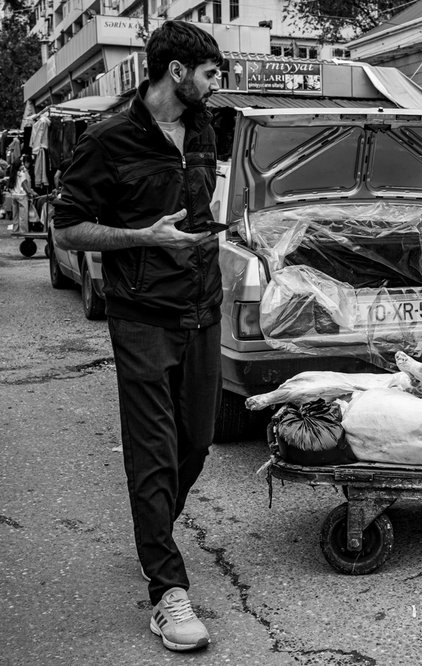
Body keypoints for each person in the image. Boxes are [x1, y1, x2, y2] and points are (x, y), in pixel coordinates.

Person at [52, 21, 223, 652]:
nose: (216, 83)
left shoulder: (204, 127)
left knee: (196, 444)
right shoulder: (108, 140)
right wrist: (144, 237)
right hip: (142, 315)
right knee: (152, 451)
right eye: (209, 72)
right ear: (176, 72)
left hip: (204, 306)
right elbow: (67, 229)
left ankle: (155, 532)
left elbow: (198, 209)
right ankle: (166, 591)